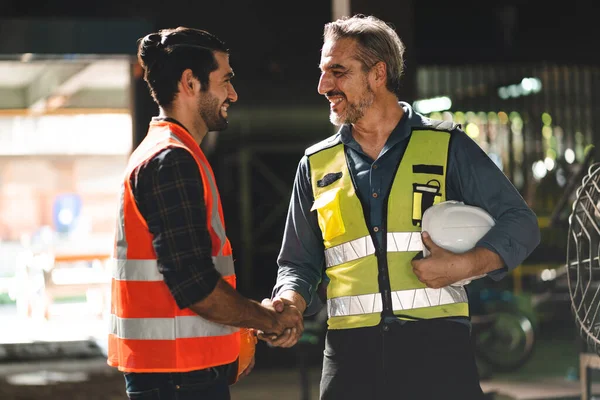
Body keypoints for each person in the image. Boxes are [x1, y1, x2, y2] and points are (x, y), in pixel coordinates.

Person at [259, 14, 540, 400]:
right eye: (324, 72)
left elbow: (521, 223)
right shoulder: (316, 164)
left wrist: (465, 265)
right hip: (349, 359)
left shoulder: (447, 146)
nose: (324, 85)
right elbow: (298, 264)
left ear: (378, 73)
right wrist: (288, 300)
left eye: (338, 72)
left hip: (438, 352)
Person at [107, 26, 302, 400]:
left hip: (177, 375)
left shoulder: (171, 152)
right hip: (179, 380)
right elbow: (195, 285)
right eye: (225, 80)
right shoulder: (171, 160)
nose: (233, 93)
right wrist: (269, 320)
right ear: (190, 83)